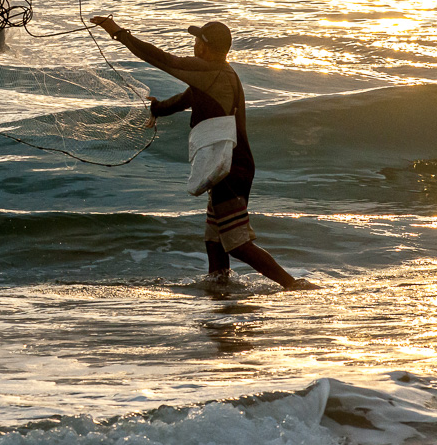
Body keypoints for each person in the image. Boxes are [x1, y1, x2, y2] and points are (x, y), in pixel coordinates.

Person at [90, 16, 319, 291]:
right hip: (227, 162)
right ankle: (220, 294)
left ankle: (292, 285)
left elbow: (161, 59)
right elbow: (186, 99)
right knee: (216, 239)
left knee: (236, 243)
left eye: (198, 39)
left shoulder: (212, 72)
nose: (194, 43)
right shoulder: (217, 74)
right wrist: (157, 109)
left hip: (231, 166)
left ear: (205, 47)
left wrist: (118, 33)